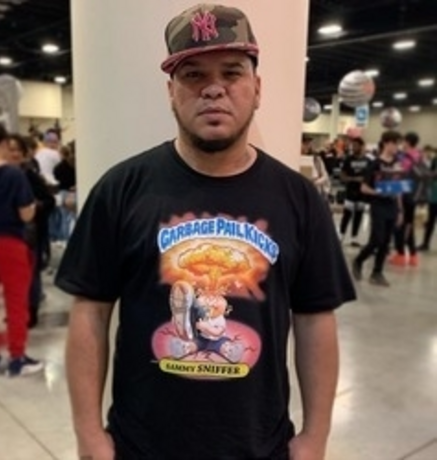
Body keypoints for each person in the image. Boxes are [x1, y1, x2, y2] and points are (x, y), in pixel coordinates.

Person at [55, 4, 356, 459]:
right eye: (193, 75)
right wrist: (89, 435)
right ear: (170, 92)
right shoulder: (121, 188)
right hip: (140, 448)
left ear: (257, 89)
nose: (214, 89)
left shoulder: (299, 198)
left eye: (231, 72)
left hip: (259, 447)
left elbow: (315, 320)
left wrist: (316, 437)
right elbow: (90, 313)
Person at [0, 121, 43, 376]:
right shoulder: (14, 175)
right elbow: (26, 214)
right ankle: (17, 358)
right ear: (3, 142)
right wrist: (32, 208)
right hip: (10, 244)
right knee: (16, 302)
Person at [7, 134, 56, 327]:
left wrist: (34, 207)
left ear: (24, 153)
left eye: (16, 150)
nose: (13, 154)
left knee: (30, 275)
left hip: (29, 235)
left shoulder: (29, 175)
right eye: (9, 150)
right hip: (6, 236)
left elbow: (49, 201)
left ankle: (30, 311)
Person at [352, 131, 404, 287]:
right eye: (395, 144)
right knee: (377, 239)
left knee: (386, 242)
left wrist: (400, 210)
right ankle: (359, 260)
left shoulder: (397, 164)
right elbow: (363, 188)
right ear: (387, 143)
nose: (397, 147)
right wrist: (379, 192)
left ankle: (377, 272)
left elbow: (398, 189)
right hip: (378, 205)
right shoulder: (374, 164)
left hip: (392, 206)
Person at [390, 132, 422, 266]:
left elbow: (397, 176)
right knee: (409, 225)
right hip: (414, 195)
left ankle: (400, 255)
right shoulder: (419, 155)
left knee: (399, 224)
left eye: (403, 141)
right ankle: (413, 255)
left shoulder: (403, 157)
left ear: (407, 142)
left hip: (402, 194)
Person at [339, 137, 370, 246]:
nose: (353, 147)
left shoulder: (368, 161)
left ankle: (354, 237)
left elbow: (370, 177)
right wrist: (354, 179)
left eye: (356, 145)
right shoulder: (348, 160)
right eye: (353, 145)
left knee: (358, 215)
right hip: (350, 192)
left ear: (361, 146)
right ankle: (341, 235)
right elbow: (342, 177)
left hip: (362, 194)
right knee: (347, 215)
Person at [418, 145, 437, 251]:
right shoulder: (434, 160)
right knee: (430, 221)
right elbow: (430, 175)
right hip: (434, 196)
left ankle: (425, 243)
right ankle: (425, 243)